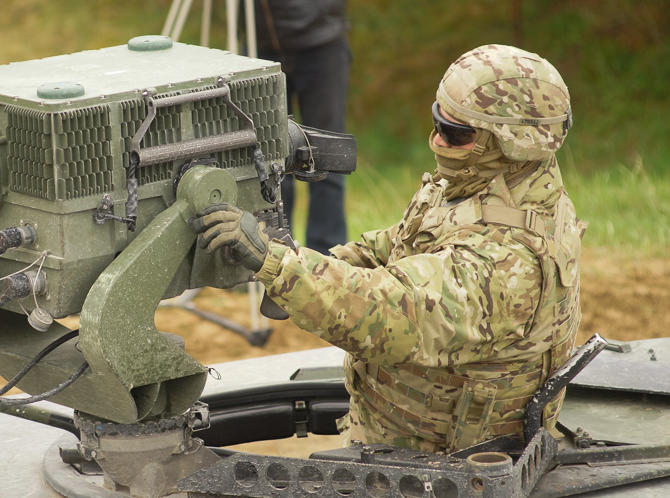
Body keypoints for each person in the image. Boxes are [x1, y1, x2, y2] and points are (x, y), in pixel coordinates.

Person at [190, 44, 586, 454]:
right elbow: (403, 242)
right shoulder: (490, 187)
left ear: (510, 144)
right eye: (437, 122)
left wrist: (282, 269)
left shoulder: (508, 261)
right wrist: (312, 267)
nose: (436, 140)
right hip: (403, 442)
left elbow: (393, 313)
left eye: (454, 134)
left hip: (445, 470)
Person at [181, 0, 351, 250]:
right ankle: (269, 253)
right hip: (260, 47)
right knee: (267, 160)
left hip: (319, 39)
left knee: (324, 157)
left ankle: (327, 259)